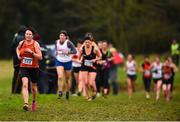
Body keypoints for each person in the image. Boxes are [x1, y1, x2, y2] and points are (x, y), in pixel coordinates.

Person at [16, 28, 42, 111]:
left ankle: (33, 101)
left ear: (32, 35)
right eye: (27, 34)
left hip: (34, 68)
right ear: (25, 35)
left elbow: (40, 57)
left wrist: (31, 52)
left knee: (33, 88)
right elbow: (17, 48)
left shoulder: (35, 44)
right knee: (25, 84)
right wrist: (18, 56)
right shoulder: (22, 42)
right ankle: (26, 104)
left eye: (30, 34)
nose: (28, 35)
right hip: (23, 66)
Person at [55, 30, 77, 100]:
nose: (62, 37)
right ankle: (60, 91)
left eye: (63, 36)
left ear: (65, 37)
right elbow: (56, 49)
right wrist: (56, 53)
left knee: (67, 79)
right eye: (61, 35)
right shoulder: (57, 42)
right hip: (59, 61)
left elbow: (75, 51)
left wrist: (68, 52)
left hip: (68, 62)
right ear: (59, 36)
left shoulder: (68, 43)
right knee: (60, 76)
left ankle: (67, 91)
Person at [79, 36, 101, 101]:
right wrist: (79, 61)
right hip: (84, 66)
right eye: (86, 42)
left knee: (91, 83)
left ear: (91, 43)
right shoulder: (82, 49)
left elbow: (100, 57)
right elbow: (78, 58)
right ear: (84, 43)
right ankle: (88, 96)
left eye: (88, 42)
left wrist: (95, 59)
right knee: (85, 82)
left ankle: (95, 90)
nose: (87, 44)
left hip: (92, 66)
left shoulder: (94, 49)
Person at [11, 25, 27, 94]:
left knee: (16, 75)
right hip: (23, 59)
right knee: (24, 75)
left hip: (15, 60)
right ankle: (23, 91)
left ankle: (14, 91)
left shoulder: (15, 38)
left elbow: (11, 48)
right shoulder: (24, 38)